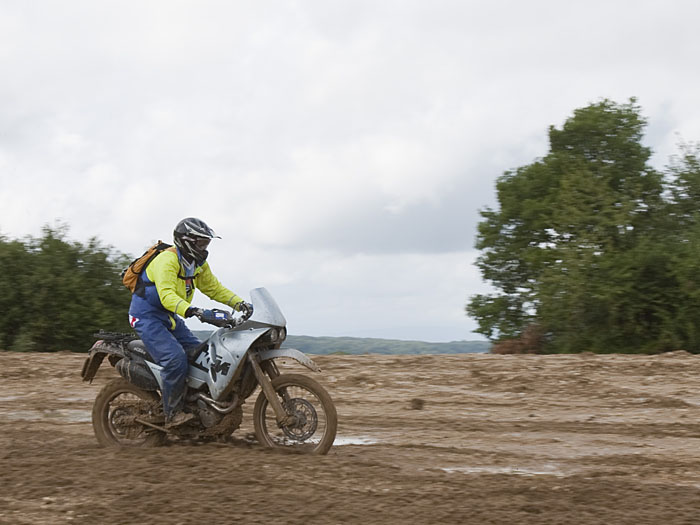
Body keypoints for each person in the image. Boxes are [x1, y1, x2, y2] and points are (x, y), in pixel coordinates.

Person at [128, 217, 251, 427]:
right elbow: (166, 295)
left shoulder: (197, 265)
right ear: (187, 241)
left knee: (201, 357)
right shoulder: (167, 261)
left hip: (169, 318)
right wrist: (194, 310)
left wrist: (241, 304)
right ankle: (172, 413)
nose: (205, 248)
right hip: (147, 317)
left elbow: (214, 288)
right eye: (201, 243)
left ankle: (195, 406)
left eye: (207, 243)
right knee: (175, 360)